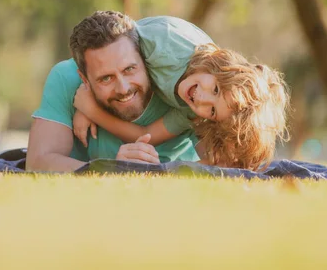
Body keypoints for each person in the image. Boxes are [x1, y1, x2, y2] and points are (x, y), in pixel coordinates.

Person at [73, 15, 289, 170]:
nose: (201, 100)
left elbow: (145, 136)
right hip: (111, 42)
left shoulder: (191, 111)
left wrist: (92, 112)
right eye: (214, 89)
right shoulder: (165, 46)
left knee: (226, 161)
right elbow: (114, 44)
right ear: (217, 66)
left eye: (212, 111)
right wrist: (89, 97)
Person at [25, 11, 199, 172]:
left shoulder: (186, 87)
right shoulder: (66, 77)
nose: (123, 88)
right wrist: (112, 169)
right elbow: (38, 162)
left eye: (130, 69)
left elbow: (222, 164)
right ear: (85, 80)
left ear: (144, 59)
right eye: (106, 78)